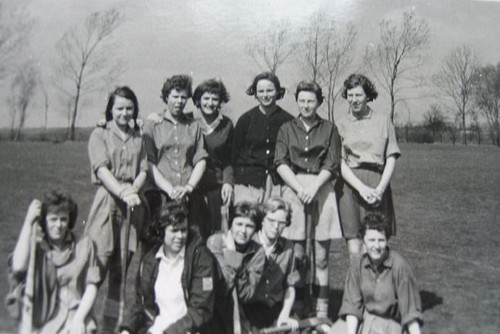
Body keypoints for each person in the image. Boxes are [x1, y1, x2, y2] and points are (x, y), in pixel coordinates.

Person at [274, 81, 342, 318]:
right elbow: (280, 162)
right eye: (302, 100)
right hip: (294, 190)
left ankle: (321, 311)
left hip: (321, 189)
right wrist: (299, 187)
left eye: (311, 101)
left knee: (321, 256)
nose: (306, 105)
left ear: (319, 102)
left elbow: (332, 163)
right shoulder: (285, 128)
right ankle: (298, 307)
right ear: (297, 102)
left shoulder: (330, 129)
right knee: (298, 256)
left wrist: (313, 186)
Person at [84, 86, 147, 333]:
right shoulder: (99, 134)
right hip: (107, 203)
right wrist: (122, 191)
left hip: (132, 207)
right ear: (111, 109)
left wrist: (133, 190)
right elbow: (101, 169)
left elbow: (143, 169)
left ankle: (110, 327)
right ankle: (82, 321)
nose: (124, 113)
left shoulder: (139, 135)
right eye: (119, 108)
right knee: (95, 269)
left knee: (119, 275)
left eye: (129, 108)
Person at [8, 190, 100, 333]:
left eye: (63, 219)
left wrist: (79, 319)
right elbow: (18, 267)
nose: (58, 225)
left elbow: (92, 286)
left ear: (70, 220)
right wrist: (28, 221)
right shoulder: (36, 248)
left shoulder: (84, 245)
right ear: (44, 220)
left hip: (76, 314)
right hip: (45, 317)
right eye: (53, 219)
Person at [119, 201, 215, 334]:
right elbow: (140, 304)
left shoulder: (200, 258)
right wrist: (126, 328)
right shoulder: (150, 260)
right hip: (156, 328)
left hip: (188, 330)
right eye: (174, 231)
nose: (180, 236)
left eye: (184, 230)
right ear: (162, 231)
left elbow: (201, 309)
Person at [336, 73, 401, 258]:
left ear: (368, 96)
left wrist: (380, 188)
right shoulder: (340, 125)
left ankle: (374, 286)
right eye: (350, 95)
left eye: (359, 95)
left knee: (373, 244)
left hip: (377, 186)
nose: (354, 100)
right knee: (354, 247)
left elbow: (391, 156)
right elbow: (339, 162)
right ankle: (356, 286)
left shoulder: (383, 121)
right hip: (350, 187)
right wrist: (360, 187)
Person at [143, 74, 208, 239]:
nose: (179, 101)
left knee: (191, 240)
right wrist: (169, 189)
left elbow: (200, 159)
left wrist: (189, 187)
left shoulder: (194, 126)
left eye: (183, 97)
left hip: (188, 195)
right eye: (175, 96)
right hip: (160, 195)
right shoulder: (152, 125)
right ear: (166, 97)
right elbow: (149, 162)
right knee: (157, 242)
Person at [339, 212, 423, 334]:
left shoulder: (399, 266)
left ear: (387, 240)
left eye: (381, 240)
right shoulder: (357, 265)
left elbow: (410, 312)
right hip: (365, 319)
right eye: (371, 240)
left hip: (390, 323)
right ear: (363, 240)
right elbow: (352, 308)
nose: (376, 246)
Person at [232, 72, 294, 204]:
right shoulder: (245, 120)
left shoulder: (288, 121)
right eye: (260, 91)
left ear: (277, 91)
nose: (265, 95)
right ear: (255, 94)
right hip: (248, 183)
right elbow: (234, 154)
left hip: (278, 184)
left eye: (269, 90)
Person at [206, 201, 266, 334]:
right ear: (231, 225)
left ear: (256, 229)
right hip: (215, 308)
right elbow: (223, 287)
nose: (243, 231)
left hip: (242, 310)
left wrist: (233, 257)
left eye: (249, 226)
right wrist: (232, 255)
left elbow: (247, 294)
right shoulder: (214, 242)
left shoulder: (258, 252)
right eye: (239, 224)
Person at [242, 197, 300, 332]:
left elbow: (290, 286)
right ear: (262, 219)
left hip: (277, 309)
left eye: (281, 223)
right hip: (250, 310)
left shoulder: (288, 247)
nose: (276, 227)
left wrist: (285, 314)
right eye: (271, 221)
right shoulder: (249, 243)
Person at [190, 79, 234, 238]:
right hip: (193, 184)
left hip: (217, 184)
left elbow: (228, 159)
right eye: (206, 98)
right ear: (198, 100)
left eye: (215, 99)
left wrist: (228, 183)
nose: (210, 103)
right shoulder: (189, 121)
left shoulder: (227, 124)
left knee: (217, 231)